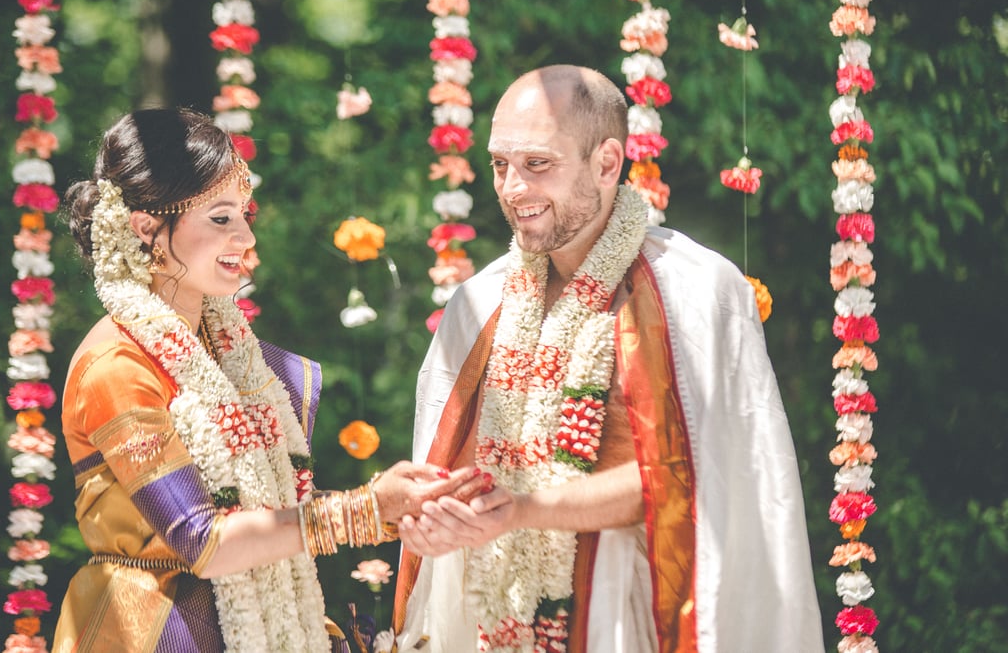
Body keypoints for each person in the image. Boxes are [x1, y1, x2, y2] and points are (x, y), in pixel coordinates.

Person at [392, 65, 825, 652]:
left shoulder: (694, 294)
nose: (513, 189)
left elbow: (695, 478)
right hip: (493, 617)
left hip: (631, 614)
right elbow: (451, 463)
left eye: (537, 164)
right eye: (500, 164)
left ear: (606, 162)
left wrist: (522, 510)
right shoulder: (479, 303)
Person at [54, 108, 486, 653]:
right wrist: (364, 509)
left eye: (244, 214)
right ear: (146, 229)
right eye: (220, 218)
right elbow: (203, 539)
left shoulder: (230, 354)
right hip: (151, 632)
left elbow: (268, 508)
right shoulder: (117, 365)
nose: (245, 237)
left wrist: (395, 513)